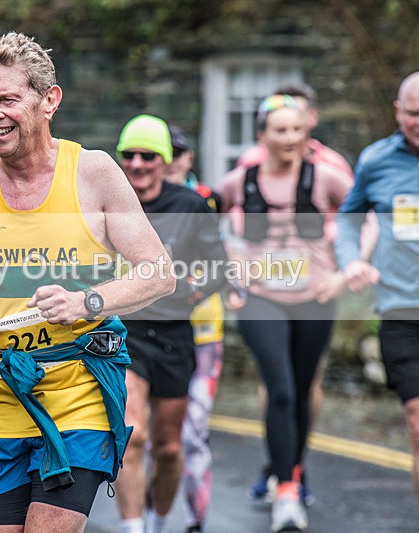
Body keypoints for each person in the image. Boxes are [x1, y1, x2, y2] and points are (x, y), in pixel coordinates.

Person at [0, 33, 175, 533]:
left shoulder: (93, 173)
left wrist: (87, 301)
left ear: (49, 100)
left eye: (9, 99)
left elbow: (159, 272)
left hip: (77, 393)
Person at [336, 70, 419, 533]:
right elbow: (348, 220)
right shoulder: (376, 160)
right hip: (402, 312)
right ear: (398, 112)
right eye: (413, 113)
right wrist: (352, 261)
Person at [217, 95, 353, 532]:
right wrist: (230, 268)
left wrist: (346, 272)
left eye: (297, 129)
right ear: (263, 136)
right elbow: (205, 217)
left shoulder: (327, 177)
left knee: (301, 389)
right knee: (280, 389)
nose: (290, 137)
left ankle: (291, 470)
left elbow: (365, 215)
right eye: (280, 130)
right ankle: (287, 492)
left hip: (315, 297)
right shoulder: (241, 180)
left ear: (307, 132)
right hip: (261, 297)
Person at [111, 114, 229, 533]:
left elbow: (218, 268)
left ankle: (159, 521)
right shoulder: (109, 203)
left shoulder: (190, 205)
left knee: (168, 448)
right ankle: (132, 529)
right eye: (129, 155)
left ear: (164, 160)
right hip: (126, 332)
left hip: (175, 334)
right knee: (132, 435)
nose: (137, 164)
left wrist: (190, 293)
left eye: (148, 156)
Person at [164, 124, 231, 533]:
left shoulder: (209, 199)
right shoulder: (133, 201)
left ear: (190, 158)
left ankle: (195, 519)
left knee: (192, 433)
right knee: (155, 438)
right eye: (164, 151)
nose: (170, 160)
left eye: (178, 152)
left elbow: (224, 254)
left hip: (203, 331)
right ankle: (151, 519)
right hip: (153, 332)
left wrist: (198, 290)